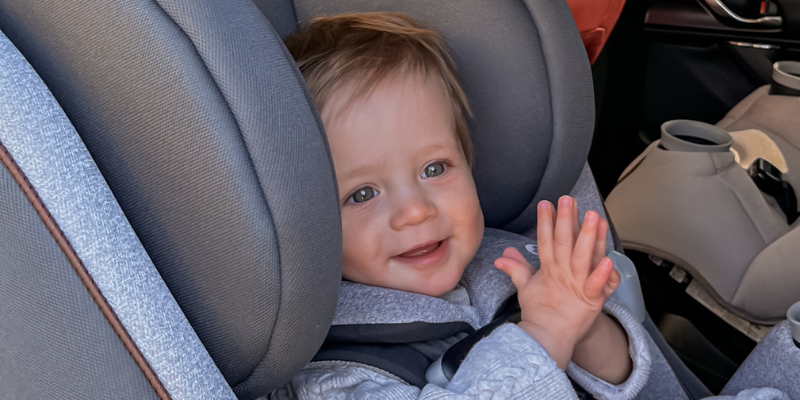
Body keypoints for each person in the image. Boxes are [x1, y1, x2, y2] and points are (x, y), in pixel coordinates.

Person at [269, 12, 787, 400]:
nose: (416, 212)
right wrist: (546, 332)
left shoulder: (511, 264)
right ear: (311, 217)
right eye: (362, 194)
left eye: (435, 169)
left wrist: (585, 327)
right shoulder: (336, 372)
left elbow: (632, 383)